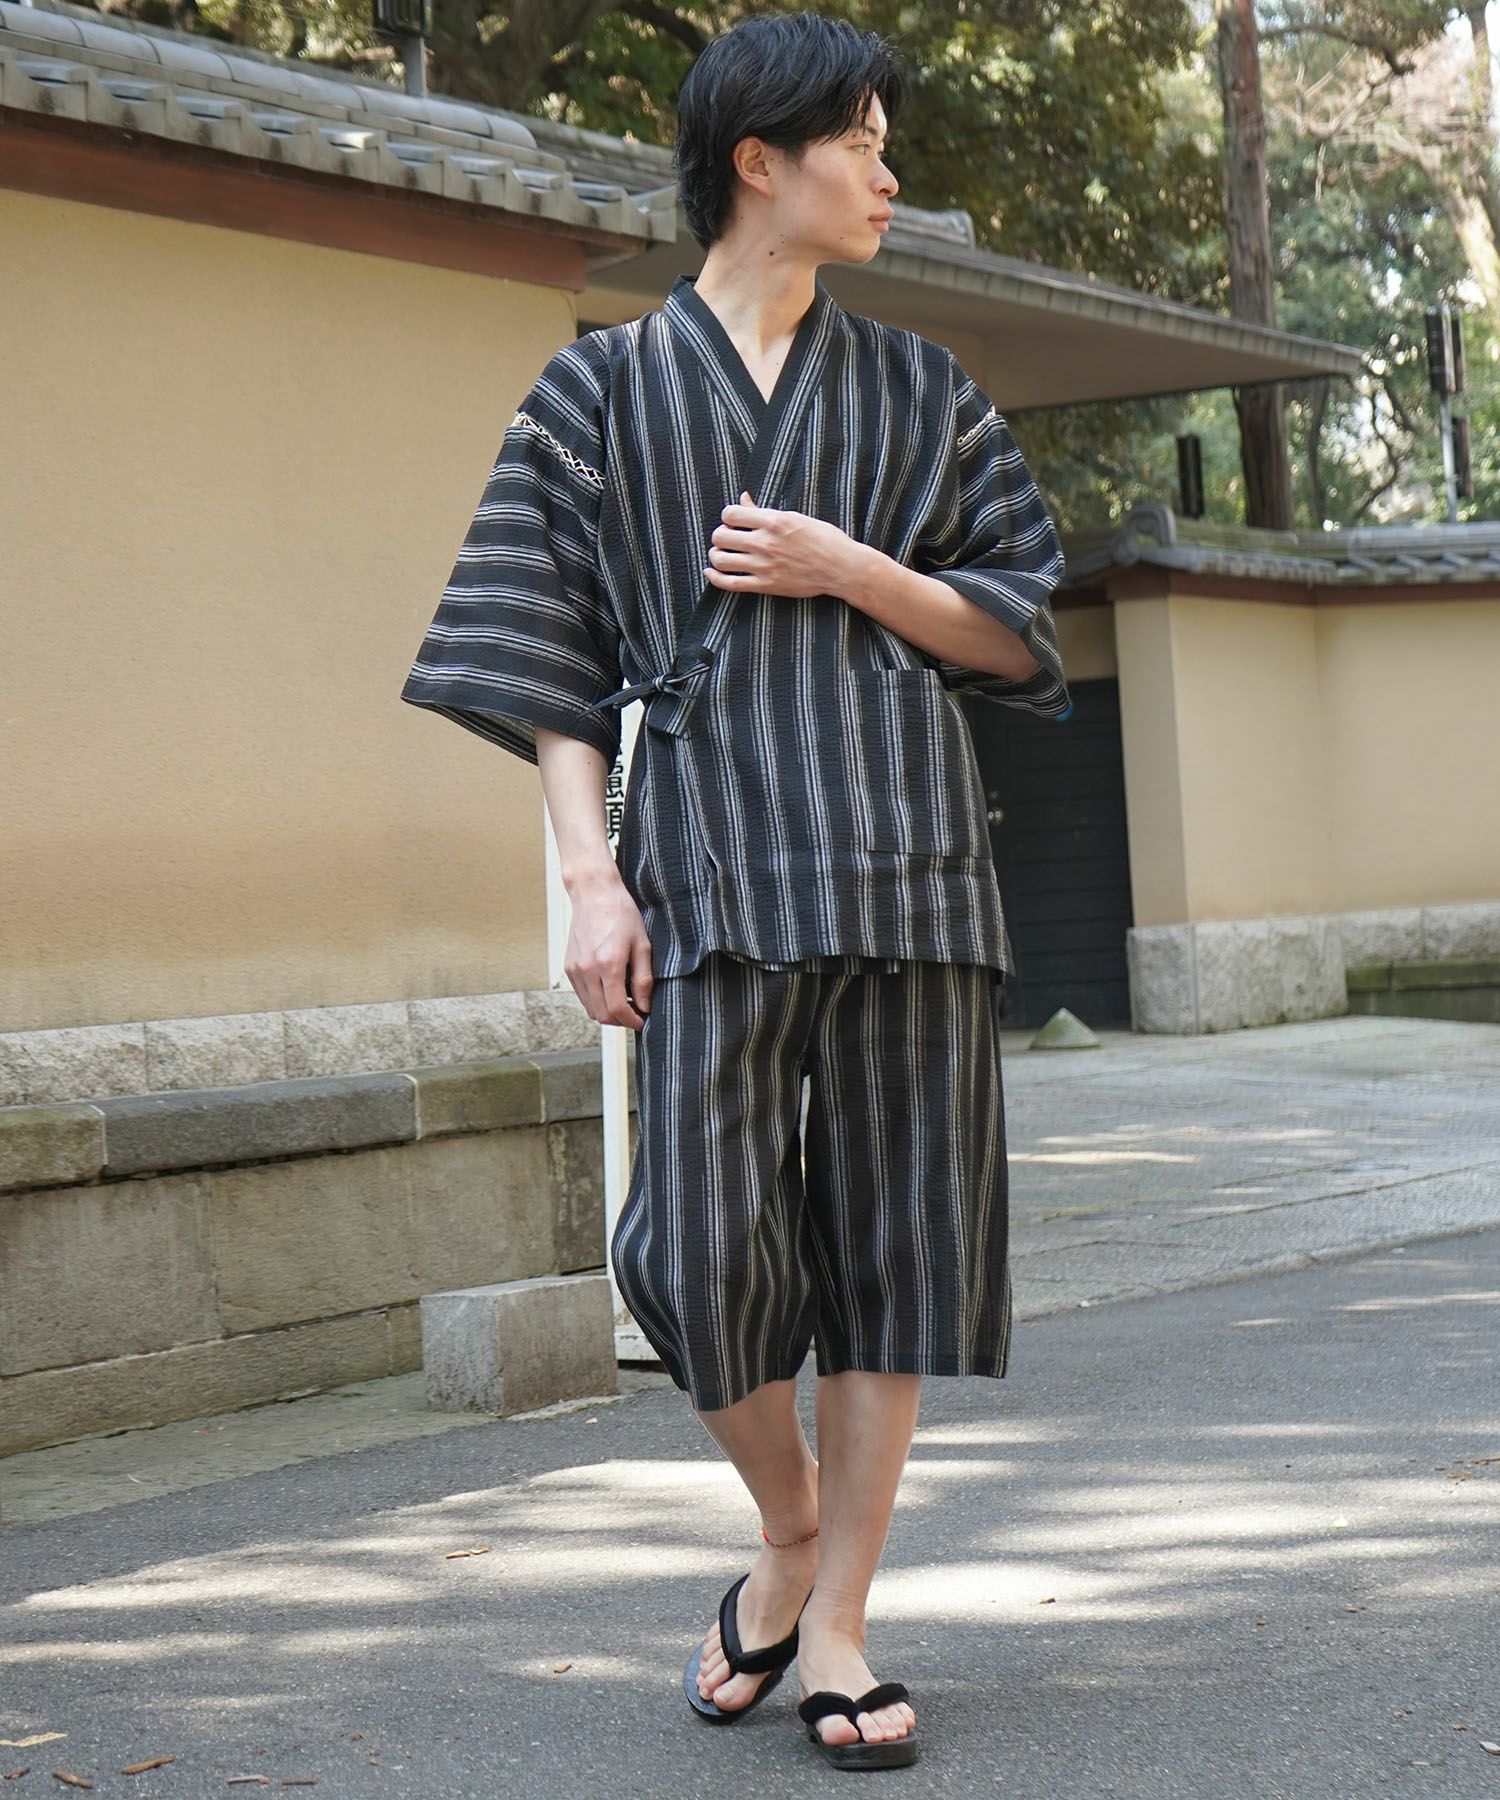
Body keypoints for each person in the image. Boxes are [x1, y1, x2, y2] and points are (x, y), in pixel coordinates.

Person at [400, 8, 1069, 1772]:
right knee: (689, 1252)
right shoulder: (598, 391)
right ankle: (786, 1528)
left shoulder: (923, 390)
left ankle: (839, 1617)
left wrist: (852, 565)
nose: (889, 175)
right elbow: (545, 655)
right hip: (703, 859)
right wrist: (589, 881)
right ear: (758, 161)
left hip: (909, 859)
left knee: (900, 1244)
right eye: (863, 142)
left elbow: (1014, 633)